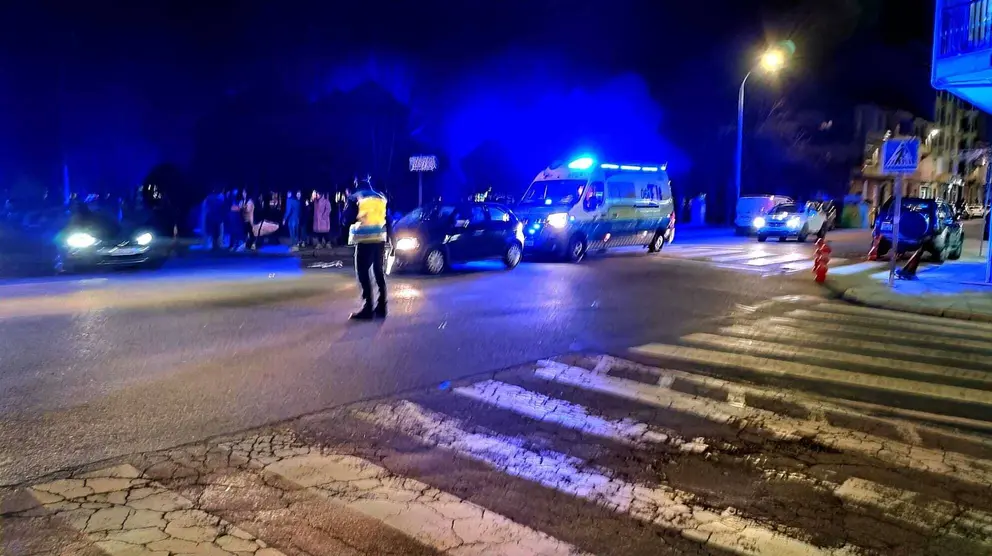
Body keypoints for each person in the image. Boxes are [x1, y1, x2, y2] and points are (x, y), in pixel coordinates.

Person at [344, 175, 394, 320]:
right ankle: (382, 306)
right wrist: (392, 240)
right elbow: (388, 219)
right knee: (378, 272)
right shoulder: (381, 197)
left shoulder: (356, 197)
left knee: (362, 272)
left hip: (364, 238)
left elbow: (347, 218)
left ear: (356, 183)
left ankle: (368, 307)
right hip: (379, 238)